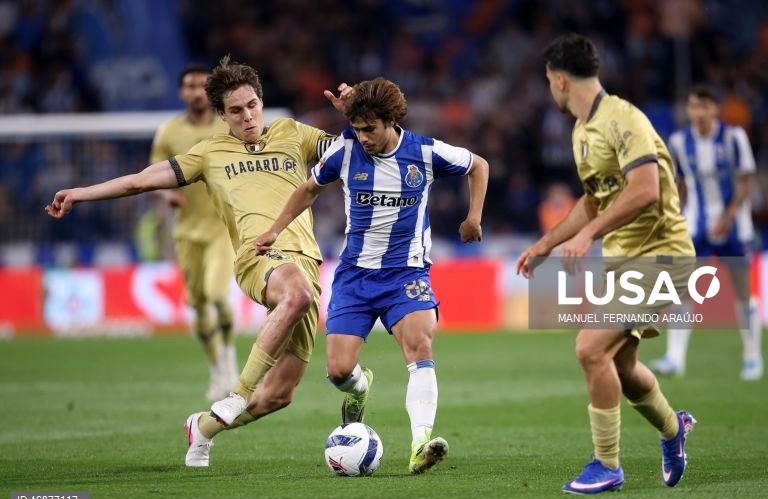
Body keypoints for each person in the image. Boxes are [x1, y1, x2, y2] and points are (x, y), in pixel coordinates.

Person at [46, 56, 342, 467]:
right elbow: (138, 181)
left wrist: (353, 115)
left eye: (252, 105)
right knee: (297, 295)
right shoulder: (208, 153)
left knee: (278, 396)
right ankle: (236, 393)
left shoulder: (294, 133)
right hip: (258, 256)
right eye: (236, 110)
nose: (247, 116)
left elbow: (352, 150)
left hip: (306, 260)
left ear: (261, 101)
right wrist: (79, 193)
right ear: (221, 114)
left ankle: (203, 427)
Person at [253, 77, 489, 474]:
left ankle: (420, 443)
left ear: (391, 121)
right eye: (357, 128)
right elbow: (308, 189)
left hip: (406, 273)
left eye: (370, 129)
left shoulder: (425, 152)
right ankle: (360, 389)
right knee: (338, 371)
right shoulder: (345, 151)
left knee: (419, 345)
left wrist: (473, 217)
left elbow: (479, 165)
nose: (363, 137)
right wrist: (275, 229)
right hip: (355, 276)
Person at [516, 34, 696, 494]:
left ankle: (607, 464)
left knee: (590, 348)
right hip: (623, 261)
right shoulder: (582, 130)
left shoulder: (623, 118)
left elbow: (646, 190)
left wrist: (587, 236)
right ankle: (674, 429)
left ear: (560, 79)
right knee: (622, 366)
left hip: (663, 255)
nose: (550, 90)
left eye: (548, 81)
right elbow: (594, 201)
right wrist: (547, 243)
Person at [649, 85, 763, 381]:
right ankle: (675, 358)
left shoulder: (733, 137)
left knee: (742, 290)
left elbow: (744, 182)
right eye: (693, 106)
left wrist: (728, 216)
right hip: (696, 225)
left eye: (703, 106)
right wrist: (673, 219)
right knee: (682, 289)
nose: (698, 112)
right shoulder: (679, 141)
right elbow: (680, 185)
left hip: (734, 227)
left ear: (715, 109)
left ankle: (752, 357)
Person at [149, 64, 237, 400]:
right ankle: (216, 369)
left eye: (203, 85)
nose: (197, 91)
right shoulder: (169, 132)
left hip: (221, 229)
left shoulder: (227, 126)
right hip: (186, 231)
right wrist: (165, 194)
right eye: (190, 86)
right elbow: (153, 175)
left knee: (218, 296)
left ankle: (228, 356)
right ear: (181, 92)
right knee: (198, 305)